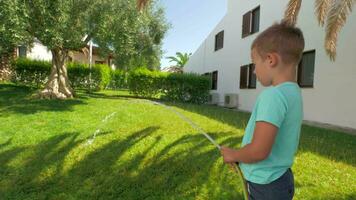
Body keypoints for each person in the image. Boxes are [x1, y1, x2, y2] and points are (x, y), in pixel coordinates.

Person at [220, 21, 305, 200]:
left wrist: (233, 154)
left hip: (266, 186)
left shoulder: (273, 96)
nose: (253, 71)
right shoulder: (294, 92)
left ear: (271, 60)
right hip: (280, 179)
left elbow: (259, 151)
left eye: (254, 63)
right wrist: (241, 160)